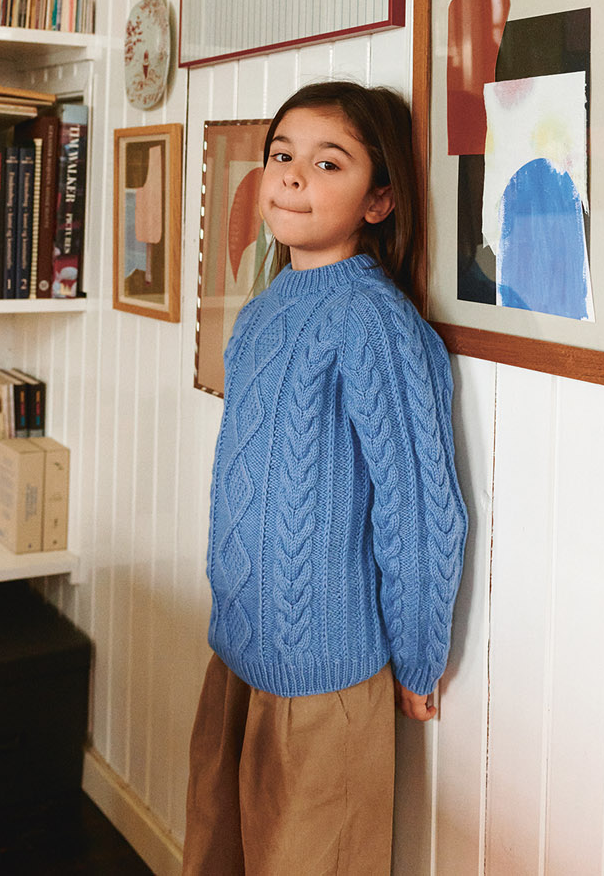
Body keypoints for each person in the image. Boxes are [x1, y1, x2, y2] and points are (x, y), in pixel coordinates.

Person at [183, 80, 467, 875]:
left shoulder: (374, 321)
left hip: (325, 677)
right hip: (238, 653)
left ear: (379, 200)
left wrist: (418, 656)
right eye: (282, 154)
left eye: (328, 161)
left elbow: (420, 509)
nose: (293, 174)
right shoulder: (264, 310)